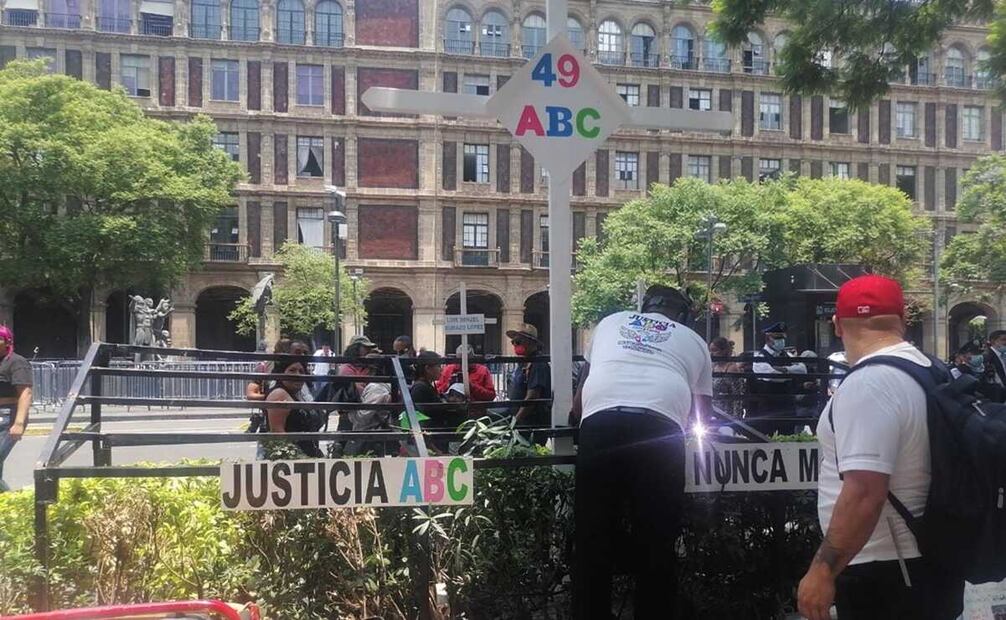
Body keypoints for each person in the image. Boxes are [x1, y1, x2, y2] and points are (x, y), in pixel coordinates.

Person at [798, 275, 964, 620]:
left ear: (838, 325)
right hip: (932, 561)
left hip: (885, 568)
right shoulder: (932, 370)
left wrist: (823, 569)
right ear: (902, 321)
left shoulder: (871, 383)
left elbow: (864, 492)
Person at [569, 285, 712, 619]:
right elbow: (703, 413)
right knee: (657, 539)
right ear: (682, 315)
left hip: (600, 423)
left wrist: (580, 420)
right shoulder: (694, 341)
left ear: (644, 307)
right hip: (659, 432)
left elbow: (581, 395)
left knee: (593, 536)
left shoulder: (611, 322)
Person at [748, 322, 808, 435]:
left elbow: (802, 369)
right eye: (777, 338)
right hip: (768, 407)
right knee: (765, 439)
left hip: (787, 405)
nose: (781, 341)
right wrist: (790, 372)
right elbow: (771, 375)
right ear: (768, 338)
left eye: (782, 338)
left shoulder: (788, 355)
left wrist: (784, 370)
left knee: (787, 439)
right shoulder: (759, 356)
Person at [262, 359, 324, 458]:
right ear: (282, 373)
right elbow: (278, 433)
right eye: (292, 370)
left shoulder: (299, 395)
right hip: (293, 462)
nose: (297, 375)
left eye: (301, 371)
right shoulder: (279, 394)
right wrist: (299, 458)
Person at [505, 324, 551, 441]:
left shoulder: (538, 364)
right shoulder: (523, 363)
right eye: (513, 342)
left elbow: (532, 397)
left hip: (531, 425)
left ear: (531, 343)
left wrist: (515, 421)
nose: (515, 345)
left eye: (518, 341)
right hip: (521, 424)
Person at [0, 326, 32, 492]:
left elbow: (25, 393)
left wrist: (19, 423)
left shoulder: (16, 362)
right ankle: (7, 506)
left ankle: (11, 501)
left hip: (8, 417)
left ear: (7, 342)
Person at [410, 351, 459, 453]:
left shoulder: (427, 386)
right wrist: (434, 449)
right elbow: (421, 421)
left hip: (435, 439)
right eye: (438, 366)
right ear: (427, 368)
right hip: (431, 443)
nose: (441, 369)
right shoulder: (420, 388)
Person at [709, 337, 744, 419]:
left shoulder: (731, 368)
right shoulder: (713, 367)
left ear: (723, 351)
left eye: (714, 350)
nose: (711, 354)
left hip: (726, 414)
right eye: (710, 350)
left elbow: (737, 395)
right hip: (712, 412)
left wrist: (736, 419)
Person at [985, 330, 1006, 403]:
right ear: (993, 341)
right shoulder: (987, 356)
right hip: (995, 396)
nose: (1005, 342)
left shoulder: (1003, 355)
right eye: (1003, 340)